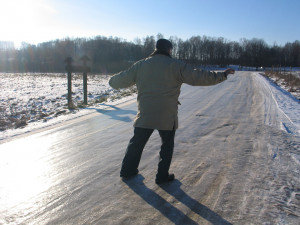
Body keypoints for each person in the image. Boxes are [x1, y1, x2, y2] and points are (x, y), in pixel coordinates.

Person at [109, 39, 235, 184]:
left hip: (145, 113)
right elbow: (199, 77)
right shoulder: (176, 66)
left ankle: (127, 170)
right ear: (169, 50)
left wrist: (112, 81)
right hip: (166, 115)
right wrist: (223, 75)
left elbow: (122, 79)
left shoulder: (141, 65)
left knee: (136, 144)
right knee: (166, 146)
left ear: (156, 49)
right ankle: (162, 176)